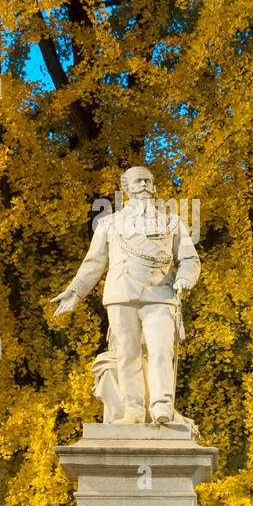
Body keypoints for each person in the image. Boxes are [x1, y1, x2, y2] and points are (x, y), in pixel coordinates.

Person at [51, 167, 199, 425]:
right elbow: (93, 262)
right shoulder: (109, 224)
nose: (144, 185)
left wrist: (186, 277)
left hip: (160, 294)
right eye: (137, 182)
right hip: (121, 293)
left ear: (154, 187)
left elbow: (188, 258)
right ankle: (133, 411)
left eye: (148, 181)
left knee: (161, 351)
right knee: (127, 354)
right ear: (127, 188)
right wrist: (75, 292)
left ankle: (162, 405)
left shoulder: (173, 222)